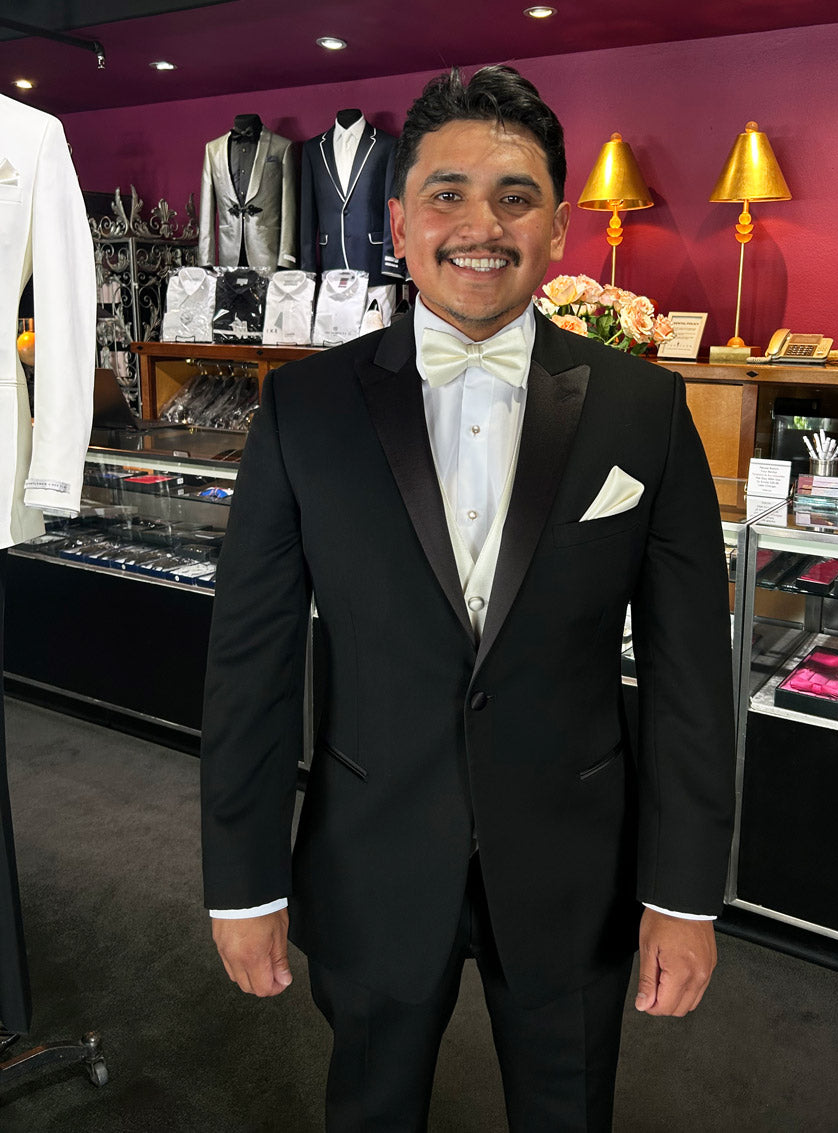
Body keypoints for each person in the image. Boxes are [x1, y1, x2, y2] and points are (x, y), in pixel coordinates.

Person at [201, 65, 735, 1131]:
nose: (478, 224)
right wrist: (244, 881)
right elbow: (249, 664)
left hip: (576, 863)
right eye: (445, 192)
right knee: (370, 1107)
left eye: (514, 195)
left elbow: (688, 674)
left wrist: (681, 894)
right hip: (371, 852)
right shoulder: (304, 410)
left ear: (557, 228)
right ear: (396, 221)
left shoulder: (644, 408)